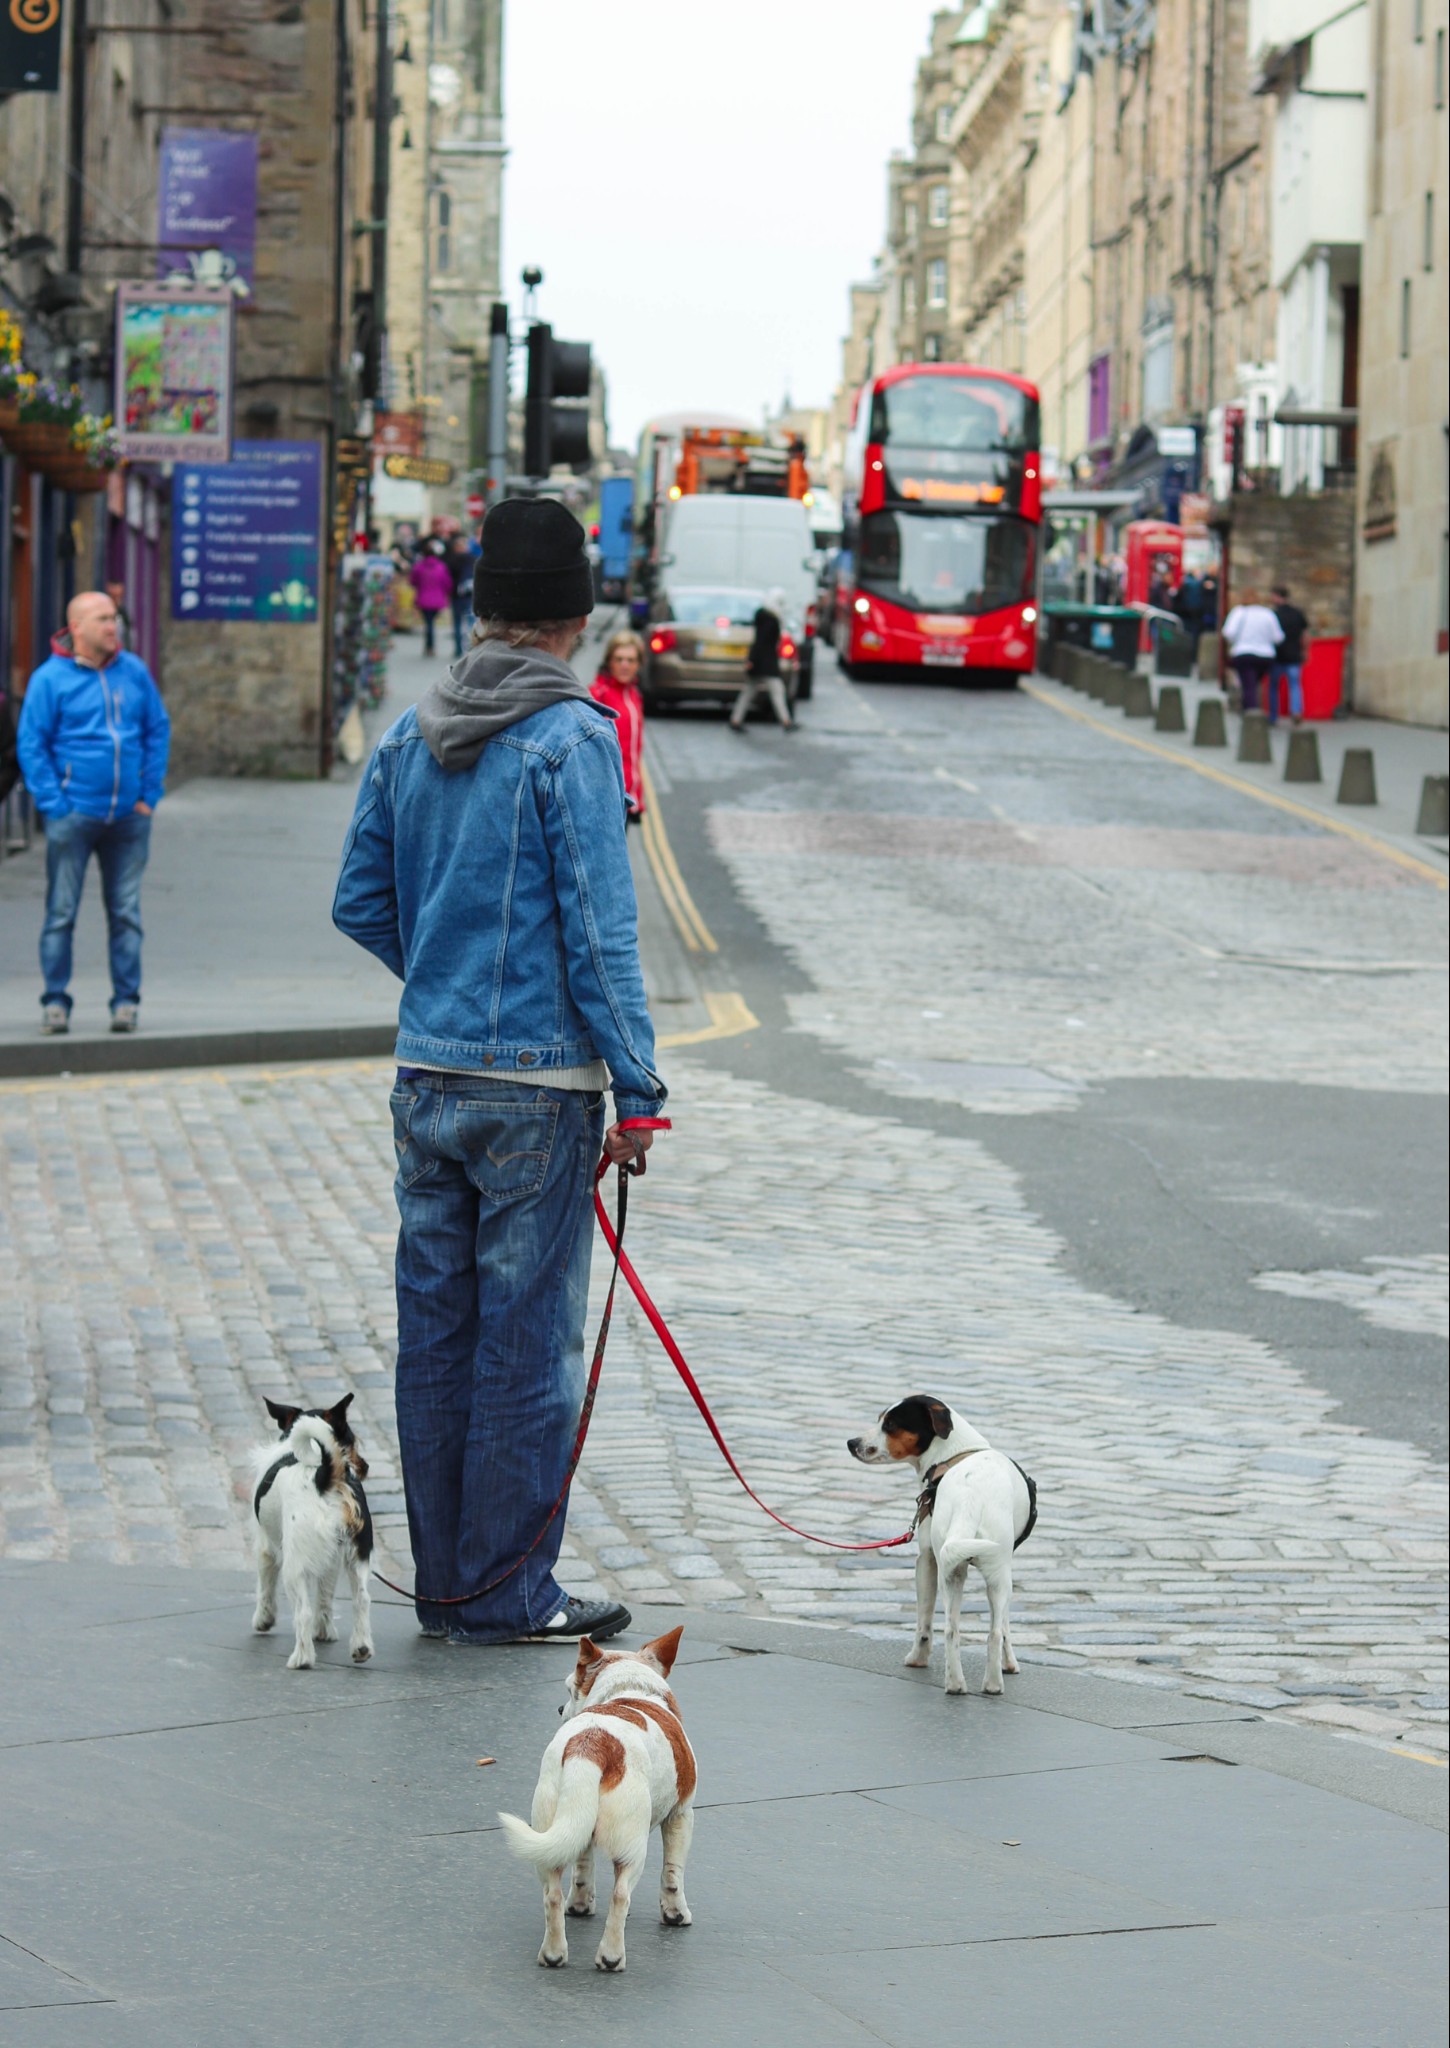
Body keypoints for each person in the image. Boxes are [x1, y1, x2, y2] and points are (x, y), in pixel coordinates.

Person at [333, 497, 667, 1646]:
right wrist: (641, 1089)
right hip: (538, 1089)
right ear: (576, 616)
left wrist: (436, 978)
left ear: (479, 608)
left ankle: (446, 1587)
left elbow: (357, 899)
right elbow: (598, 928)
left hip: (427, 1078)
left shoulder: (407, 728)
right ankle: (509, 1592)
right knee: (525, 1349)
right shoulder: (573, 737)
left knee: (435, 1341)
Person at [15, 591, 170, 1036]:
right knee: (61, 911)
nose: (113, 625)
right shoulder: (50, 680)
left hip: (128, 816)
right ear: (76, 627)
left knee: (125, 912)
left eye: (114, 617)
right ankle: (55, 1001)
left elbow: (157, 728)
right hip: (73, 814)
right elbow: (32, 744)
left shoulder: (133, 672)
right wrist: (53, 805)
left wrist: (149, 795)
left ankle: (126, 1002)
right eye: (103, 618)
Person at [589, 629, 647, 823]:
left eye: (630, 660)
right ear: (609, 662)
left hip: (627, 796)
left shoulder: (634, 696)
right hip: (604, 798)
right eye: (619, 659)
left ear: (638, 664)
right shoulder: (597, 695)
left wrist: (637, 795)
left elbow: (634, 753)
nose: (625, 665)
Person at [729, 588, 795, 731]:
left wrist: (752, 660)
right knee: (777, 691)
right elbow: (761, 642)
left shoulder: (764, 618)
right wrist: (752, 659)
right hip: (766, 663)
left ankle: (736, 719)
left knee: (749, 692)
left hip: (760, 662)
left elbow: (758, 641)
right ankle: (786, 721)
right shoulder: (770, 621)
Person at [1221, 590, 1283, 715]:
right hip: (1265, 655)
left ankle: (1251, 713)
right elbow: (1278, 637)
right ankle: (1250, 708)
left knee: (1248, 684)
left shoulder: (1239, 612)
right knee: (1253, 683)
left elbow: (1228, 633)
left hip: (1244, 653)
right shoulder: (1268, 614)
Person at [1269, 583, 1310, 725]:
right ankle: (1296, 711)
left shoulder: (1273, 615)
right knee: (1295, 685)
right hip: (1294, 654)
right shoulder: (1297, 613)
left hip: (1277, 655)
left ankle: (1273, 716)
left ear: (1276, 596)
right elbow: (1305, 634)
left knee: (1274, 687)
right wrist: (1305, 651)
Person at [409, 540, 454, 657]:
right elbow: (447, 583)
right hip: (438, 600)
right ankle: (430, 647)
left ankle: (429, 646)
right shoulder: (441, 567)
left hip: (423, 599)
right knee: (431, 622)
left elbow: (413, 581)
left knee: (428, 623)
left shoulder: (419, 567)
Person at [446, 534, 476, 658]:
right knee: (471, 622)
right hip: (470, 594)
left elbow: (447, 578)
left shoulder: (451, 560)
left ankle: (458, 649)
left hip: (456, 595)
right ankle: (470, 647)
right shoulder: (473, 558)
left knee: (457, 623)